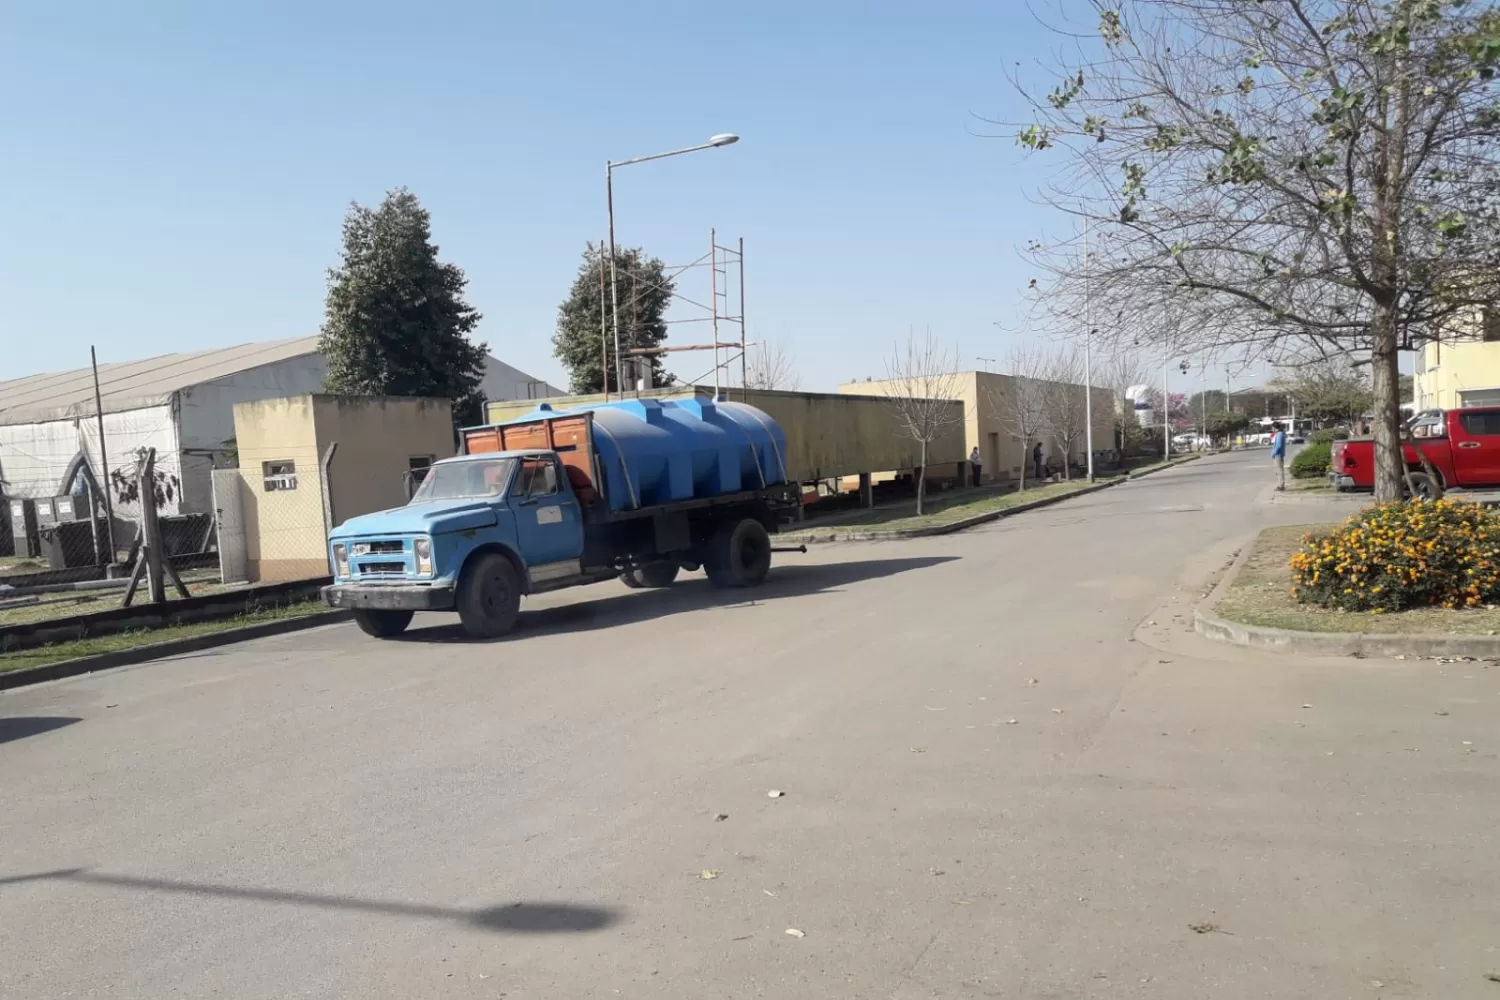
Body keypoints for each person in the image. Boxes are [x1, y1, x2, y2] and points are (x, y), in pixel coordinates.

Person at [1270, 421, 1287, 491]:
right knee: (1277, 470)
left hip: (1278, 455)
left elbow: (1278, 445)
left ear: (1274, 427)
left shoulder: (1279, 434)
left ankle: (1281, 485)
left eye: (1272, 428)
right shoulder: (1279, 434)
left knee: (1279, 470)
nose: (1272, 429)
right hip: (1277, 454)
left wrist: (1274, 452)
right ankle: (1280, 484)